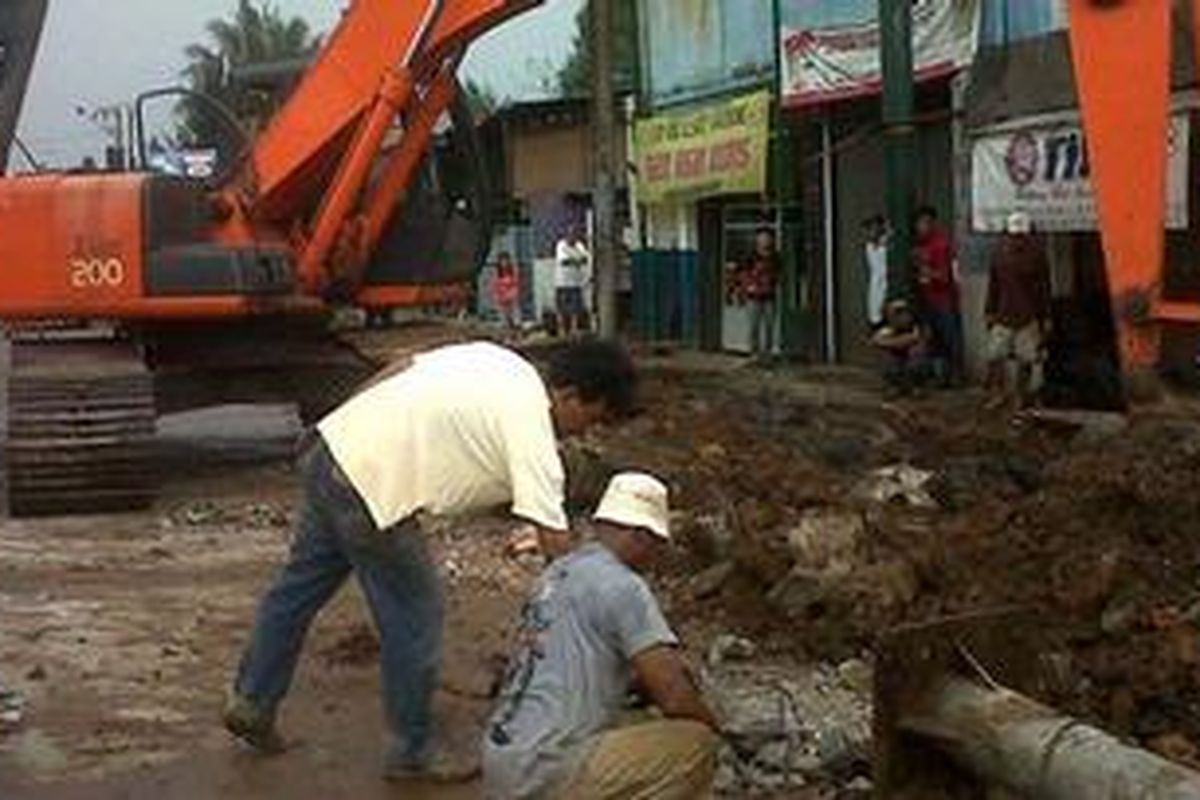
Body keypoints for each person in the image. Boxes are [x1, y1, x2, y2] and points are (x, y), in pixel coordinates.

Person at [223, 339, 637, 782]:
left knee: (298, 589)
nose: (584, 434)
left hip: (331, 450)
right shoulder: (533, 430)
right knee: (416, 614)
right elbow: (557, 545)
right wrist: (608, 620)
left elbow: (400, 365)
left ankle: (251, 701)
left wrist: (347, 425)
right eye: (591, 420)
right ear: (570, 395)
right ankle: (412, 753)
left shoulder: (500, 361)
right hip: (372, 487)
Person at [483, 472, 719, 800]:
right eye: (657, 545)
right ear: (640, 535)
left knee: (635, 718)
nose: (657, 556)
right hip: (544, 769)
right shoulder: (623, 586)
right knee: (696, 744)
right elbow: (675, 697)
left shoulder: (558, 572)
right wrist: (716, 729)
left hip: (502, 762)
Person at [985, 211, 1052, 408]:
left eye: (1021, 236)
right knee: (995, 356)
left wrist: (1046, 316)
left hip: (1028, 316)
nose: (1017, 240)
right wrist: (989, 310)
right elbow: (993, 285)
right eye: (1014, 236)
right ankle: (998, 393)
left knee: (1027, 358)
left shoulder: (1038, 256)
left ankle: (1020, 395)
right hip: (1003, 314)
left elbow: (1044, 289)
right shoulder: (999, 255)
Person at [915, 205, 963, 386]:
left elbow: (947, 276)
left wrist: (928, 271)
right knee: (935, 341)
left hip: (944, 300)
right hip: (929, 299)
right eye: (918, 223)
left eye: (924, 223)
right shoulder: (922, 246)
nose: (920, 227)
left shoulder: (941, 245)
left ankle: (957, 375)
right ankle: (940, 377)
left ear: (932, 223)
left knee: (951, 339)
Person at [737, 227, 781, 359]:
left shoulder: (775, 256)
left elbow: (779, 274)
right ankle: (754, 352)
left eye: (767, 238)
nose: (765, 241)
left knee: (769, 325)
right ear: (757, 240)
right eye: (762, 238)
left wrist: (773, 282)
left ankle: (767, 352)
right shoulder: (750, 256)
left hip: (769, 296)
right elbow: (742, 274)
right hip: (753, 297)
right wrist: (747, 287)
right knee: (754, 325)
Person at [872, 299, 929, 397]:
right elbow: (877, 341)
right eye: (896, 314)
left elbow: (917, 338)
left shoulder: (917, 325)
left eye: (903, 313)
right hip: (895, 356)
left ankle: (915, 385)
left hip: (909, 356)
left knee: (917, 353)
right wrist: (896, 342)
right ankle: (894, 385)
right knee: (886, 356)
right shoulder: (885, 327)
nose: (901, 317)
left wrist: (899, 341)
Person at [555, 226, 592, 336]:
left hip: (576, 282)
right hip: (562, 282)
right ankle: (562, 330)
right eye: (570, 234)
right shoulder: (561, 245)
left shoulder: (579, 245)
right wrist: (577, 260)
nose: (572, 237)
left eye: (574, 235)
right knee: (562, 307)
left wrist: (576, 260)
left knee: (575, 308)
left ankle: (574, 329)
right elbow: (564, 261)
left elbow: (585, 258)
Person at [863, 215, 889, 330]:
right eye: (868, 229)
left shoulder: (887, 244)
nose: (870, 233)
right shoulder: (869, 247)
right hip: (877, 289)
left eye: (873, 228)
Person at [493, 252, 522, 331]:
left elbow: (516, 284)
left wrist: (511, 294)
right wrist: (498, 296)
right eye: (502, 261)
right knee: (503, 313)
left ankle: (516, 324)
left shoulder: (513, 272)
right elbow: (495, 286)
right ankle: (505, 325)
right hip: (502, 297)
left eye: (505, 261)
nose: (504, 263)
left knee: (514, 310)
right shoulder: (497, 274)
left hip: (511, 296)